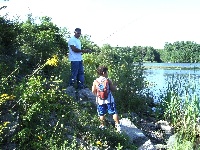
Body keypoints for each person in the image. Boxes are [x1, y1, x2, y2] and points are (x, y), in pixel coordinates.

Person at [92, 66, 121, 133]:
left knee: (101, 114)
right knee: (114, 113)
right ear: (103, 72)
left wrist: (98, 95)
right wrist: (116, 87)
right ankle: (118, 126)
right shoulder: (107, 80)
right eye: (106, 72)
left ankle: (102, 126)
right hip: (109, 100)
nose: (107, 73)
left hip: (100, 101)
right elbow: (113, 89)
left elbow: (93, 91)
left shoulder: (95, 81)